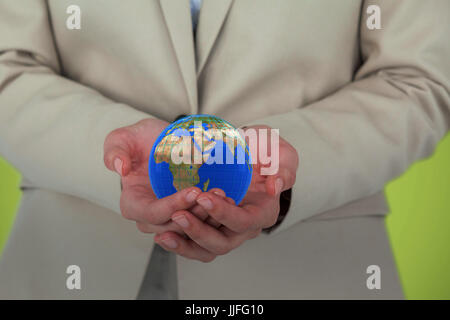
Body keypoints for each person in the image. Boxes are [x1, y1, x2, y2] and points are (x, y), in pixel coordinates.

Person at [0, 0, 448, 299]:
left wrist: (279, 161)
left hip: (313, 271)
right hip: (70, 263)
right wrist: (120, 152)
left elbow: (418, 79)